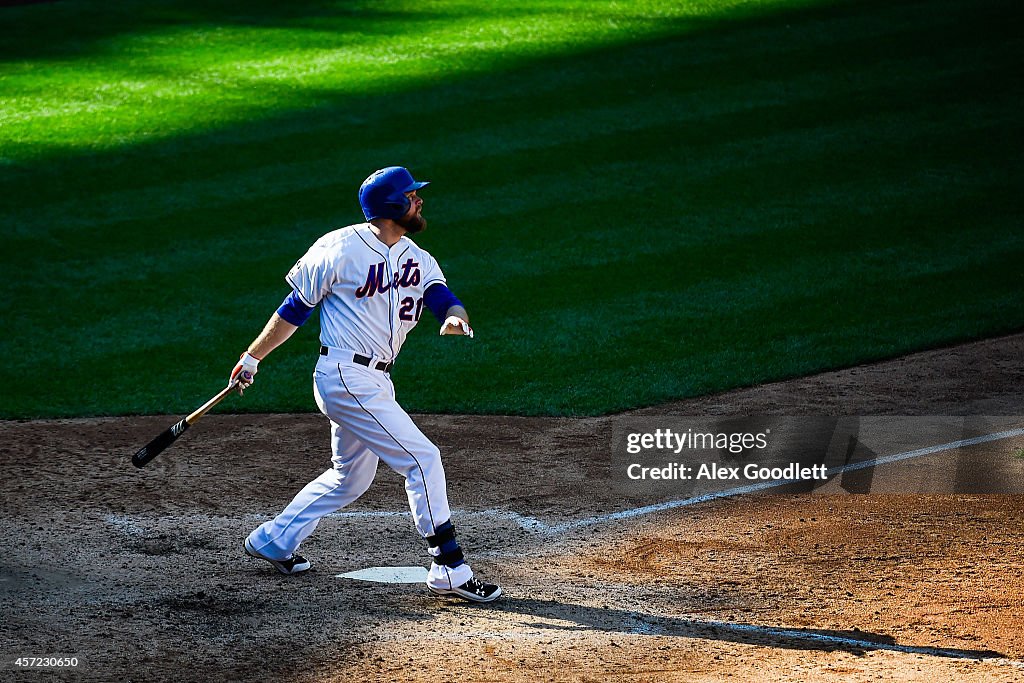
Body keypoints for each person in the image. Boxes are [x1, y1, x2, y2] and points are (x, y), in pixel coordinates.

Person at [232, 166, 501, 603]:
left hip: (375, 380)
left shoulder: (415, 254)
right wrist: (251, 358)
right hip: (344, 376)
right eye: (413, 195)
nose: (420, 201)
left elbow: (441, 297)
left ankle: (273, 539)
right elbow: (294, 310)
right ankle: (449, 566)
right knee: (422, 458)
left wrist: (455, 317)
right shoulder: (338, 249)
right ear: (393, 205)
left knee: (349, 479)